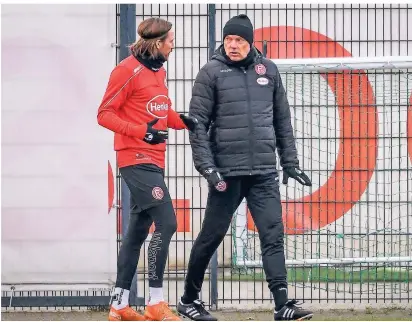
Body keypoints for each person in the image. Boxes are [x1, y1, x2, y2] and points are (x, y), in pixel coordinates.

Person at [177, 14, 314, 321]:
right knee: (210, 237)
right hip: (227, 174)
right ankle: (188, 300)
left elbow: (282, 120)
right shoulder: (210, 73)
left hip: (264, 172)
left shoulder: (269, 70)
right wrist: (208, 169)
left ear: (250, 42)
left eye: (239, 40)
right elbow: (197, 126)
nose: (233, 46)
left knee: (272, 235)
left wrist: (289, 162)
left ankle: (282, 306)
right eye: (229, 40)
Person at [97, 17, 198, 321]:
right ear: (157, 43)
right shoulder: (126, 70)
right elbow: (104, 114)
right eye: (170, 41)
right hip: (136, 159)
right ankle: (156, 302)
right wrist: (142, 131)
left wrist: (184, 122)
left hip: (155, 160)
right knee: (167, 223)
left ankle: (118, 306)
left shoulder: (158, 71)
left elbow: (160, 109)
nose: (173, 45)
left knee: (135, 235)